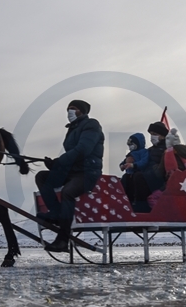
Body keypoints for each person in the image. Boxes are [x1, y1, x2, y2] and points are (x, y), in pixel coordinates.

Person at [35, 99, 104, 252]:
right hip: (72, 171)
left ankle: (62, 240)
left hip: (88, 172)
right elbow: (71, 154)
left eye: (73, 109)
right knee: (42, 177)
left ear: (83, 111)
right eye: (68, 109)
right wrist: (54, 164)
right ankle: (56, 213)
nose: (70, 112)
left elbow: (83, 149)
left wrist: (59, 162)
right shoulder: (72, 129)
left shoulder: (91, 124)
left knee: (68, 192)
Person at [128, 121, 168, 212]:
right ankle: (128, 204)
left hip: (159, 177)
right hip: (149, 174)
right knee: (128, 177)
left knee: (139, 177)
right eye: (151, 134)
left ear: (162, 135)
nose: (152, 137)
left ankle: (141, 208)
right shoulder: (149, 150)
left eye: (155, 134)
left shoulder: (167, 149)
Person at [119, 133, 151, 201]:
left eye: (132, 144)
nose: (130, 146)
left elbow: (144, 162)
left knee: (136, 184)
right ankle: (125, 199)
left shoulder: (144, 152)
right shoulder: (130, 154)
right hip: (128, 174)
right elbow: (124, 161)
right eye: (129, 145)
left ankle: (137, 201)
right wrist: (122, 165)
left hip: (138, 173)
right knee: (124, 180)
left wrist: (134, 165)